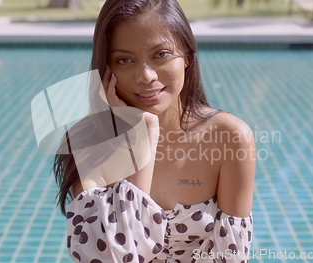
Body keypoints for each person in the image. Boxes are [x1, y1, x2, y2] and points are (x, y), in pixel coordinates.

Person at [52, 0, 255, 262]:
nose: (145, 76)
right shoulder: (88, 144)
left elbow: (231, 256)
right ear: (107, 69)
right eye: (125, 60)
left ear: (187, 56)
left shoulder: (230, 138)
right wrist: (142, 136)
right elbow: (110, 257)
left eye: (161, 54)